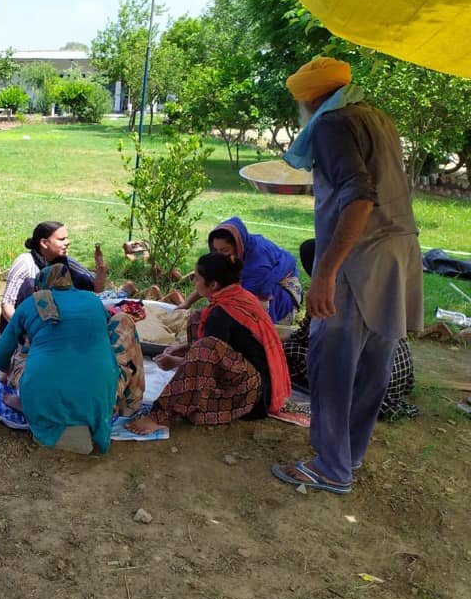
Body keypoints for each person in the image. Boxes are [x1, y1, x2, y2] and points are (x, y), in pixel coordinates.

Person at [271, 57, 423, 495]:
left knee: (332, 359)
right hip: (397, 252)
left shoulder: (332, 124)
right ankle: (350, 454)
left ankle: (331, 467)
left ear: (308, 99)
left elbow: (359, 199)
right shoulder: (376, 117)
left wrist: (325, 273)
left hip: (360, 258)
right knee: (374, 360)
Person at [127, 253, 290, 433]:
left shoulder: (222, 314)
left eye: (197, 279)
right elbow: (220, 346)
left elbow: (207, 354)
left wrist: (174, 363)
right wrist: (182, 350)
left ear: (213, 285)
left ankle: (160, 416)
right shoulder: (236, 296)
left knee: (206, 349)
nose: (194, 283)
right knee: (197, 318)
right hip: (250, 375)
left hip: (253, 394)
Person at [0, 264, 145, 454]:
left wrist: (10, 371)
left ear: (41, 288)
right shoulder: (92, 300)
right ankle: (129, 405)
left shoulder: (31, 303)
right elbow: (106, 329)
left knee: (26, 345)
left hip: (41, 394)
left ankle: (31, 401)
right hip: (101, 395)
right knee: (123, 320)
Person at [282, 239, 417, 421]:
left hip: (369, 380)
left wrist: (274, 339)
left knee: (289, 352)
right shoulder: (372, 286)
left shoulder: (329, 295)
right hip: (396, 376)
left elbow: (305, 338)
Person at [178, 217, 302, 324]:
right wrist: (187, 303)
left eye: (224, 250)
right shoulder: (231, 256)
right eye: (216, 250)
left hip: (281, 292)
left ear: (238, 245)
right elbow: (209, 280)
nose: (219, 255)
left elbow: (249, 295)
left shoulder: (257, 264)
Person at [0, 221, 112, 328]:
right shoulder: (25, 263)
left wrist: (100, 267)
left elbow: (97, 289)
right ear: (44, 243)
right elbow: (7, 305)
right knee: (30, 284)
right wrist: (25, 329)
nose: (67, 242)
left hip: (53, 326)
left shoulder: (66, 261)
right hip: (22, 326)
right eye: (62, 239)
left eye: (67, 238)